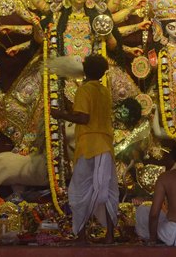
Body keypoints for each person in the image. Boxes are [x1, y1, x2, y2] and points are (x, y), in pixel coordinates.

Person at [51, 54, 119, 243]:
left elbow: (83, 118)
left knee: (79, 191)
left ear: (84, 68)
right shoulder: (104, 91)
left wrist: (60, 114)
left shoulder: (84, 90)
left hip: (90, 146)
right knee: (106, 190)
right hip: (105, 145)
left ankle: (81, 236)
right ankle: (110, 236)